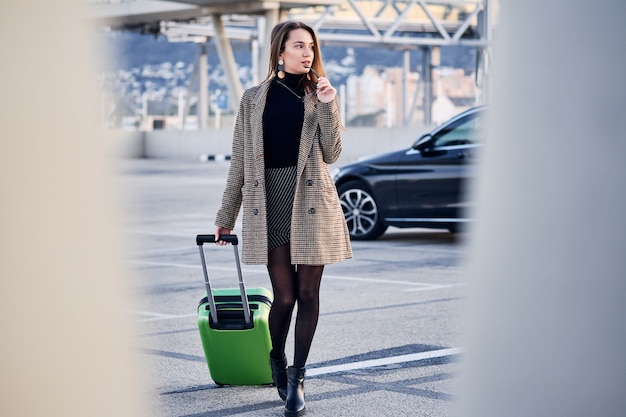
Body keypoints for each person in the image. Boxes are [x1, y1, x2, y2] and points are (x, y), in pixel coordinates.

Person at [213, 21, 352, 417]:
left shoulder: (319, 94)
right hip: (269, 199)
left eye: (311, 46)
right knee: (285, 296)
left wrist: (329, 104)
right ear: (280, 52)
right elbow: (240, 161)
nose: (307, 53)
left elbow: (332, 152)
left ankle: (298, 378)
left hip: (312, 200)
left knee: (308, 294)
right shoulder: (254, 98)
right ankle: (276, 355)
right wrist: (226, 215)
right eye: (298, 46)